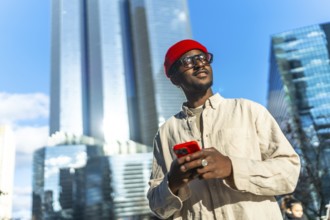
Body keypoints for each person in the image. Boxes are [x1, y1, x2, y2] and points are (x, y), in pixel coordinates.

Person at [147, 39, 301, 219]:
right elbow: (157, 207)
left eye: (203, 58)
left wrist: (232, 167)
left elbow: (289, 173)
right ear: (173, 78)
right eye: (188, 61)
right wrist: (172, 182)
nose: (199, 64)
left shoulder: (249, 110)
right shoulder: (165, 134)